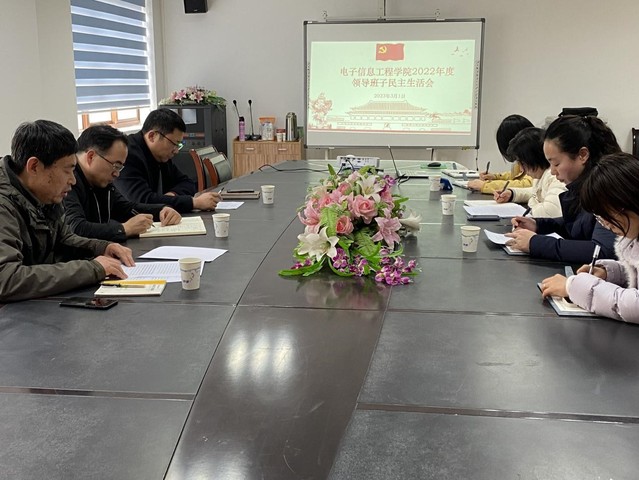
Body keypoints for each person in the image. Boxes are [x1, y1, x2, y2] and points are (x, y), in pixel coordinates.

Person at [0, 120, 133, 302]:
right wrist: (92, 269)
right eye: (67, 171)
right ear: (34, 167)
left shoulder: (43, 193)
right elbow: (6, 279)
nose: (73, 180)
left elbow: (64, 239)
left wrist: (102, 247)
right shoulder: (4, 204)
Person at [540, 152, 639, 323]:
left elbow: (634, 306)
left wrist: (573, 287)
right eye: (599, 218)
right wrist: (609, 273)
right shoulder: (632, 235)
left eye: (607, 215)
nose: (606, 224)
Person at [506, 115, 619, 263]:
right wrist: (538, 225)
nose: (553, 172)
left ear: (583, 155)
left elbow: (602, 251)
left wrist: (535, 243)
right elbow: (579, 226)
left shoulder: (610, 188)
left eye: (556, 164)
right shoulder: (585, 185)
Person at [64, 125, 182, 242]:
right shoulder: (67, 182)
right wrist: (124, 229)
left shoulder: (100, 181)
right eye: (116, 165)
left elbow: (125, 208)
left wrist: (162, 210)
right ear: (91, 157)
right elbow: (75, 228)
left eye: (120, 167)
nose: (117, 174)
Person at [114, 108, 221, 213]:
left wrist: (172, 195)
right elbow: (142, 201)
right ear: (152, 136)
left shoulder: (161, 155)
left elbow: (188, 183)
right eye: (174, 144)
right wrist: (194, 203)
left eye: (179, 145)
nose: (176, 151)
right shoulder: (127, 155)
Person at [493, 127, 566, 217]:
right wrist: (512, 194)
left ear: (533, 158)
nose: (521, 169)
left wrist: (529, 210)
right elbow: (535, 192)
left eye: (523, 163)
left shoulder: (554, 176)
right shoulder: (541, 175)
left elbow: (550, 211)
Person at [467, 114, 534, 194]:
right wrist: (495, 177)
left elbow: (526, 184)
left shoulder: (537, 157)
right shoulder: (525, 157)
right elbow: (516, 175)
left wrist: (485, 186)